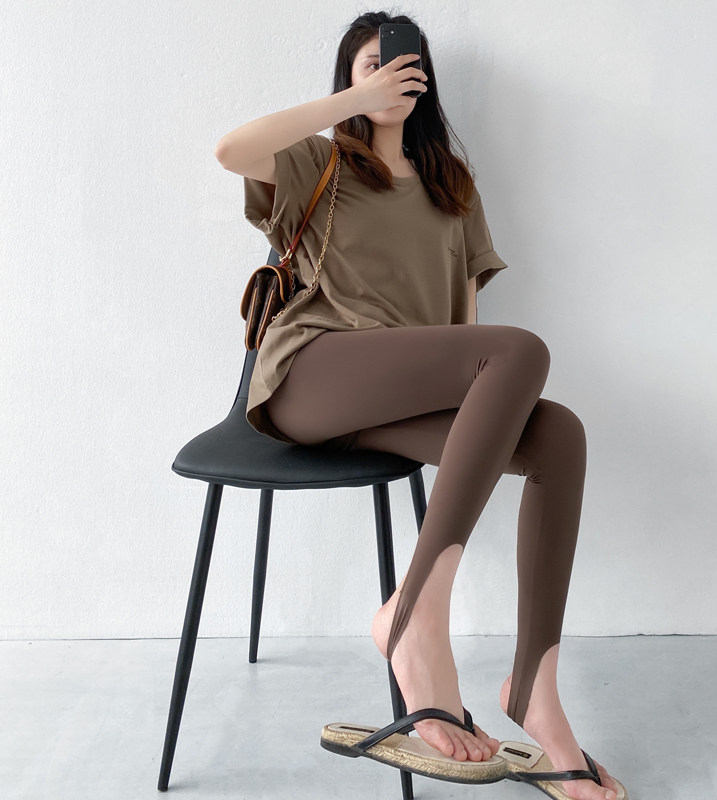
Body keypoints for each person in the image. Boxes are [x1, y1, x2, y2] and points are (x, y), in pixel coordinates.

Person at [215, 11, 622, 800]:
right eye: (371, 63)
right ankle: (418, 617)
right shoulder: (319, 162)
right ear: (350, 78)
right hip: (311, 378)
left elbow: (463, 329)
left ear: (424, 79)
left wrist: (478, 401)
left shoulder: (452, 188)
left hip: (395, 397)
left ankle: (535, 691)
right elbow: (230, 149)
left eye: (402, 62)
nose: (389, 72)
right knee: (523, 350)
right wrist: (351, 104)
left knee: (558, 433)